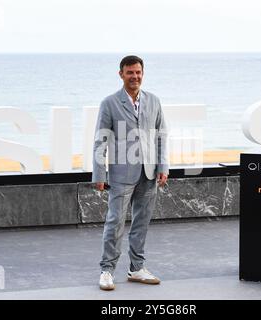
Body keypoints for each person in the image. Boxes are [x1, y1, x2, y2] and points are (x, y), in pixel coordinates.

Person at [92, 55, 169, 291]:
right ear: (121, 74)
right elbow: (100, 141)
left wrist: (163, 167)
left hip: (149, 173)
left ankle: (136, 268)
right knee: (115, 223)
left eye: (138, 72)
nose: (134, 76)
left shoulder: (154, 101)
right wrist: (99, 174)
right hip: (120, 174)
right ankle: (107, 270)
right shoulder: (110, 103)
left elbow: (161, 136)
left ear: (142, 73)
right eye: (130, 73)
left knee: (141, 223)